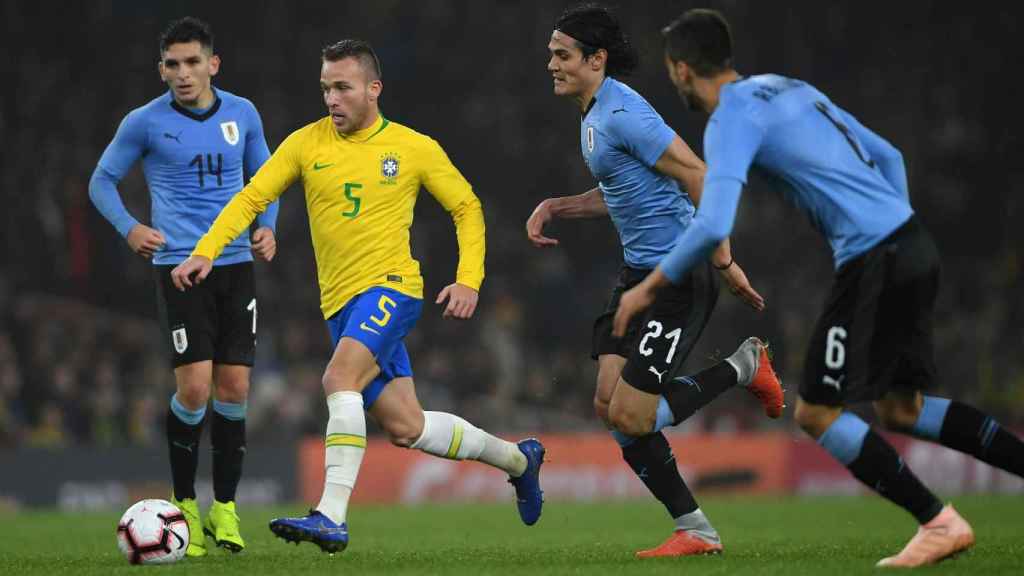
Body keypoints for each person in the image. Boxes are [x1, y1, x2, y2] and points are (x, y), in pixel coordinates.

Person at [616, 8, 1024, 567]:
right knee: (901, 408)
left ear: (682, 70)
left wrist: (648, 289)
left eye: (671, 71)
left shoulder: (730, 119)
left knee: (816, 413)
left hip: (874, 257)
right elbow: (889, 155)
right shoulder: (788, 86)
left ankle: (939, 522)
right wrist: (893, 223)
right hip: (913, 243)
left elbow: (713, 223)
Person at [171, 39, 545, 554]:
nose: (331, 98)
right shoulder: (306, 144)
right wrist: (207, 250)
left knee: (337, 378)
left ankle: (331, 515)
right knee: (406, 426)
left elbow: (466, 206)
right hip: (340, 306)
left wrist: (469, 278)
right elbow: (253, 196)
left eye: (342, 87)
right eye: (325, 87)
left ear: (373, 89)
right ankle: (520, 461)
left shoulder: (413, 147)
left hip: (392, 288)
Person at [527, 4, 783, 558]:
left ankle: (744, 366)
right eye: (552, 53)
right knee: (606, 404)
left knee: (631, 414)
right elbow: (621, 191)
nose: (551, 63)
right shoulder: (593, 114)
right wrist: (556, 207)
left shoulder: (623, 113)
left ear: (596, 60)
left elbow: (697, 172)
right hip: (638, 272)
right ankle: (695, 528)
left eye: (562, 55)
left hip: (680, 274)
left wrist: (723, 260)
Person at [88, 17, 279, 557]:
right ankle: (183, 507)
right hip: (177, 264)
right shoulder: (144, 122)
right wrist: (131, 228)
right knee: (195, 388)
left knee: (235, 391)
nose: (183, 73)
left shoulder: (243, 114)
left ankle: (226, 509)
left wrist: (269, 226)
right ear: (162, 70)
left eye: (193, 62)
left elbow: (265, 179)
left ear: (213, 64)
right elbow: (100, 181)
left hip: (235, 261)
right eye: (173, 64)